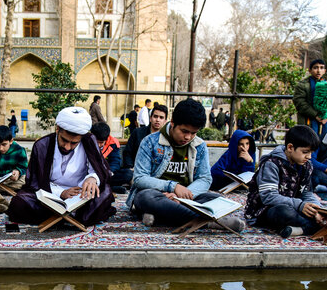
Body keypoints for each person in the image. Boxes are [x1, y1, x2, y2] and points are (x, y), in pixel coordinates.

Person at [126, 98, 245, 232]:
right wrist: (173, 187)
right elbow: (139, 178)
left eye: (193, 133)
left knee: (216, 198)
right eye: (184, 131)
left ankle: (161, 217)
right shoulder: (150, 142)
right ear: (172, 123)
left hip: (186, 198)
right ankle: (208, 221)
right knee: (144, 197)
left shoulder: (199, 146)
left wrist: (181, 197)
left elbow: (205, 178)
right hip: (158, 195)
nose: (188, 137)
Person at [7, 107, 116, 227]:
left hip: (80, 195)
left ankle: (61, 216)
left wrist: (92, 178)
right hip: (50, 193)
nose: (67, 147)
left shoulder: (89, 140)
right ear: (58, 129)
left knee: (105, 194)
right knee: (18, 203)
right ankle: (72, 216)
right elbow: (35, 182)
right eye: (64, 140)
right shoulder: (42, 145)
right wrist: (61, 193)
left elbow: (100, 170)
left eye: (74, 143)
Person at [245, 125, 324, 239]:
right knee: (283, 212)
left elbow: (306, 193)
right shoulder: (271, 164)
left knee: (319, 213)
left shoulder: (306, 165)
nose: (309, 156)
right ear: (290, 147)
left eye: (311, 152)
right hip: (264, 210)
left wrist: (316, 209)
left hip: (293, 205)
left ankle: (300, 229)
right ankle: (311, 228)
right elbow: (269, 197)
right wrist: (300, 205)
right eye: (305, 152)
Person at [293, 59, 327, 139]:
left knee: (324, 143)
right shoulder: (302, 85)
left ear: (325, 71)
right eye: (315, 68)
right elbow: (300, 102)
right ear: (310, 70)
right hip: (307, 120)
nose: (319, 71)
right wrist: (315, 115)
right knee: (308, 142)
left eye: (321, 68)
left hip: (324, 121)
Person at [91, 122, 133, 193]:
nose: (98, 145)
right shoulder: (87, 141)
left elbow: (115, 162)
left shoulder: (113, 143)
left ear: (106, 139)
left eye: (101, 142)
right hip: (90, 174)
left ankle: (103, 187)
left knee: (128, 174)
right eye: (96, 142)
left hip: (106, 173)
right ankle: (109, 187)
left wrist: (107, 172)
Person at [122, 104, 168, 169]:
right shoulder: (137, 133)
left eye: (161, 117)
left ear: (165, 121)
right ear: (150, 118)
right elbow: (127, 153)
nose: (157, 120)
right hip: (136, 170)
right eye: (155, 116)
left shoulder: (167, 137)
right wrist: (130, 167)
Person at [0, 125, 28, 192]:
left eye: (4, 144)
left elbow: (24, 167)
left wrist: (18, 171)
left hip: (13, 181)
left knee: (25, 180)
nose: (1, 148)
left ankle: (0, 189)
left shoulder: (19, 150)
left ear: (11, 141)